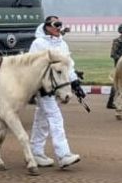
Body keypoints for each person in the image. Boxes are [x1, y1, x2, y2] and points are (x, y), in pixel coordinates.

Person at [29, 15, 86, 168]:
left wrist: (75, 84)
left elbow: (69, 66)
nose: (59, 27)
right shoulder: (38, 44)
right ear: (47, 26)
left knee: (41, 120)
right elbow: (33, 65)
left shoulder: (63, 44)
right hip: (44, 88)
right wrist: (41, 85)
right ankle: (63, 155)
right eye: (56, 24)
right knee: (56, 118)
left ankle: (35, 152)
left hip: (57, 87)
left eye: (60, 24)